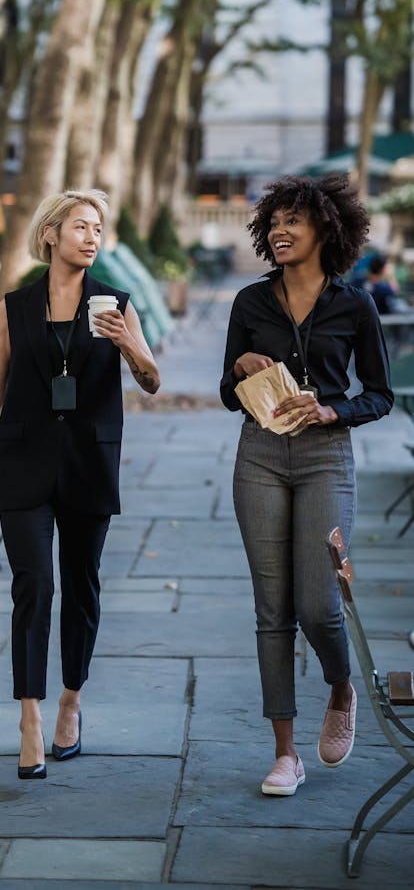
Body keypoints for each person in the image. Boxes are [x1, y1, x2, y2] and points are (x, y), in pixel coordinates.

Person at [0, 189, 160, 779]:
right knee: (33, 585)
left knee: (81, 585)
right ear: (51, 233)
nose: (92, 236)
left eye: (98, 228)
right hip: (23, 458)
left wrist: (127, 341)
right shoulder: (14, 307)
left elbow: (152, 381)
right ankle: (29, 716)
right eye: (80, 225)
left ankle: (70, 702)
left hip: (88, 462)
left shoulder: (115, 304)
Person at [220, 175, 393, 798]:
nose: (281, 230)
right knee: (273, 610)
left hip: (325, 456)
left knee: (320, 605)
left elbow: (380, 395)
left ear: (326, 228)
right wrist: (241, 366)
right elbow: (224, 391)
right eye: (274, 223)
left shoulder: (355, 305)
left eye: (294, 220)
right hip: (259, 454)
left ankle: (342, 685)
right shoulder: (250, 302)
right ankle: (286, 754)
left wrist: (330, 411)